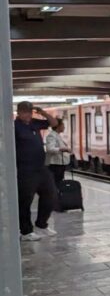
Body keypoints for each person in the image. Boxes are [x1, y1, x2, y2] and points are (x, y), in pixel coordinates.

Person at [14, 101, 59, 241]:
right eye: (24, 112)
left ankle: (41, 224)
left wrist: (43, 113)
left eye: (29, 112)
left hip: (41, 167)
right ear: (19, 112)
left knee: (51, 194)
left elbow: (54, 124)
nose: (27, 114)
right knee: (25, 200)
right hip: (25, 169)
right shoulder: (14, 127)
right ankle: (26, 231)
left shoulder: (35, 123)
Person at [45, 118, 70, 192]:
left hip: (59, 164)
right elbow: (50, 148)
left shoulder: (57, 135)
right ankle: (56, 198)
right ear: (58, 126)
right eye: (63, 125)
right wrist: (62, 149)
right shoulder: (51, 136)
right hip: (55, 165)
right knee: (56, 184)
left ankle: (58, 197)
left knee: (59, 183)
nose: (64, 127)